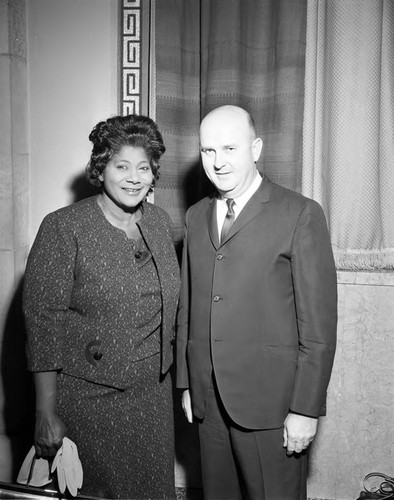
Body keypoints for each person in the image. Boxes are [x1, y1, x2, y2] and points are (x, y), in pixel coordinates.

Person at [176, 105, 337, 500]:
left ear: (256, 148)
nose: (218, 162)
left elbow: (318, 328)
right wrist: (186, 382)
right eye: (208, 151)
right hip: (209, 403)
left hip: (273, 409)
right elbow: (189, 308)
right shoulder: (196, 216)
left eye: (229, 148)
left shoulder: (300, 213)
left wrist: (304, 409)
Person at [23, 114, 180, 499]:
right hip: (91, 399)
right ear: (101, 168)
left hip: (152, 396)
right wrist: (45, 411)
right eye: (121, 165)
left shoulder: (161, 222)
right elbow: (43, 321)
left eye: (143, 167)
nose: (133, 177)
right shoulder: (64, 226)